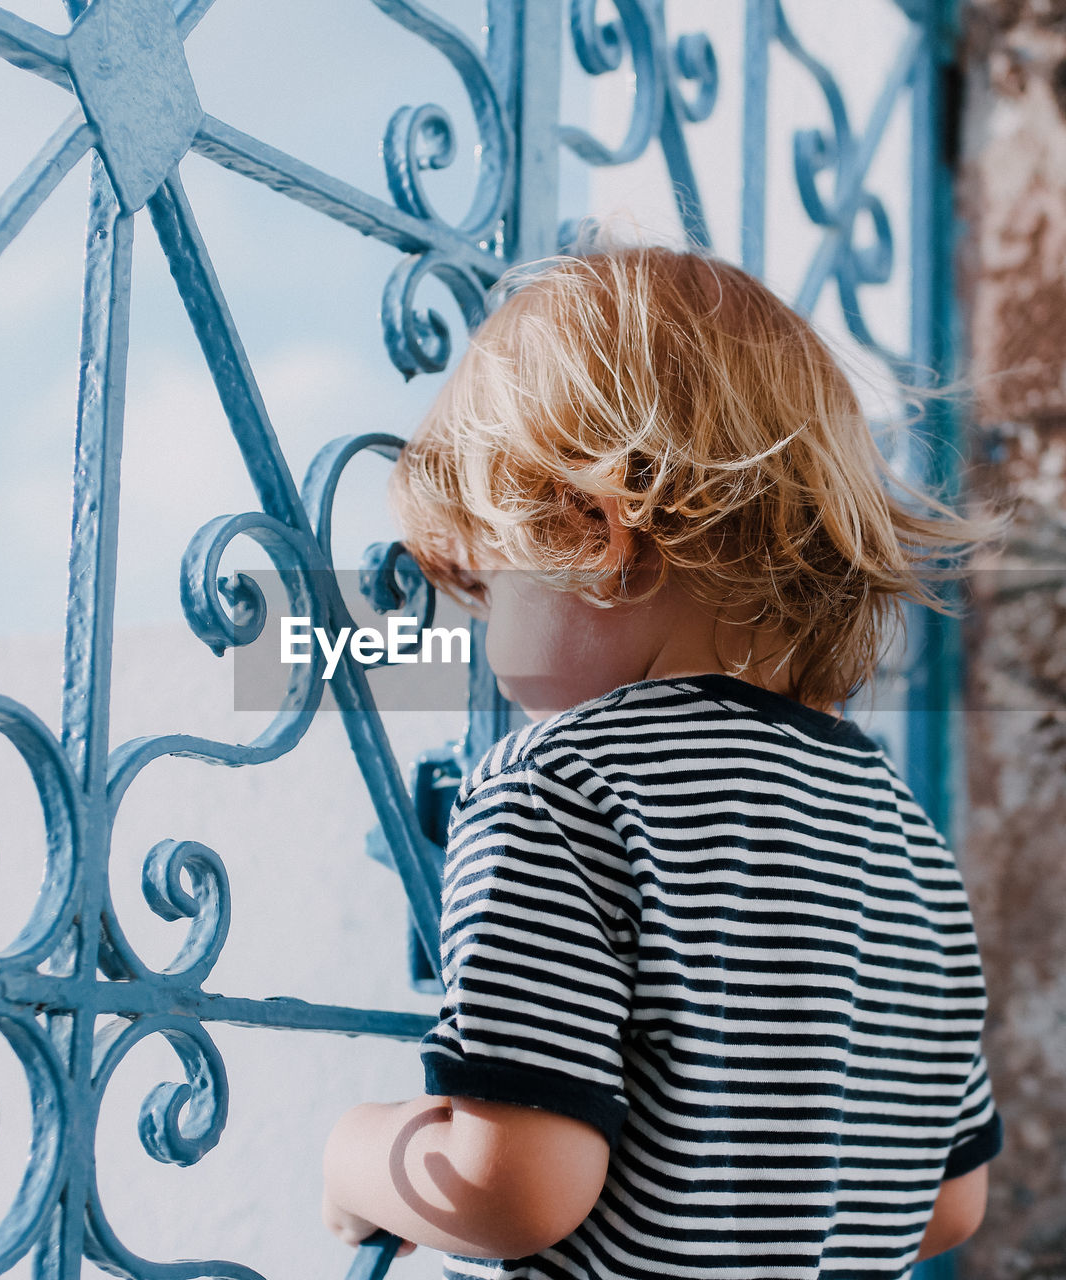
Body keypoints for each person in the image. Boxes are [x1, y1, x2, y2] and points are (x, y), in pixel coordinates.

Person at [320, 244, 1004, 1279]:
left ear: (590, 531)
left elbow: (514, 1185)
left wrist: (358, 1150)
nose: (478, 631)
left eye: (486, 580)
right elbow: (949, 1203)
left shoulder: (557, 786)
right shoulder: (901, 831)